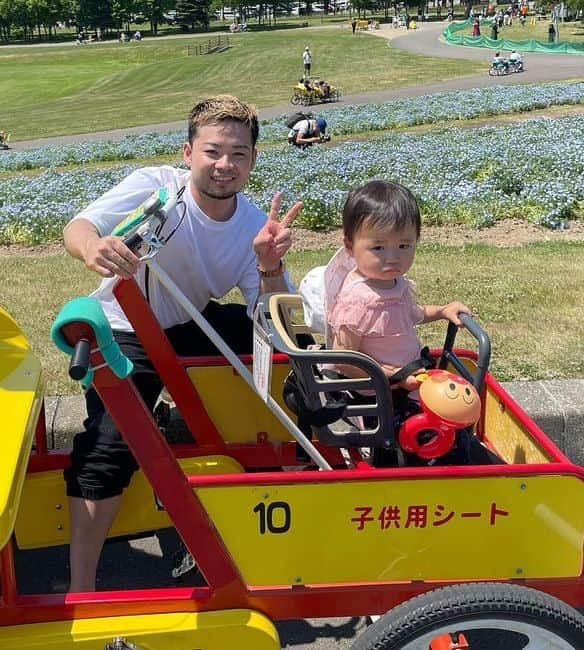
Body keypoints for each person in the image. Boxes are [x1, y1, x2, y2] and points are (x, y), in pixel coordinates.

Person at [62, 95, 301, 592]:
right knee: (111, 441)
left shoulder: (254, 225)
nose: (224, 165)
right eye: (213, 151)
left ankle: (264, 465)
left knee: (265, 345)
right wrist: (94, 248)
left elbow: (279, 320)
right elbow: (78, 228)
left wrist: (270, 267)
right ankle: (79, 588)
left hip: (186, 319)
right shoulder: (156, 187)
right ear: (187, 152)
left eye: (238, 154)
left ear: (253, 160)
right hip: (124, 324)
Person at [319, 181, 471, 458]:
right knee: (425, 438)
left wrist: (441, 311)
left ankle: (455, 462)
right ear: (350, 247)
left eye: (404, 245)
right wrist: (395, 377)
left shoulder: (393, 283)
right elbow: (344, 358)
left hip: (408, 379)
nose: (393, 258)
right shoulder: (358, 299)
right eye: (378, 248)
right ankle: (416, 473)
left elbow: (408, 315)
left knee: (456, 418)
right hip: (377, 394)